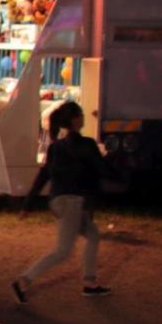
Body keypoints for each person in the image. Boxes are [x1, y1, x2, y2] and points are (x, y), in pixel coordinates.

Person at [13, 101, 110, 301]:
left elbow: (43, 176)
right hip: (71, 202)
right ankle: (24, 280)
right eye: (81, 115)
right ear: (75, 120)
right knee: (63, 250)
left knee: (92, 234)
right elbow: (102, 170)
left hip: (59, 201)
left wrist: (27, 204)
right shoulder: (87, 145)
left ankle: (90, 283)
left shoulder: (56, 147)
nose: (84, 117)